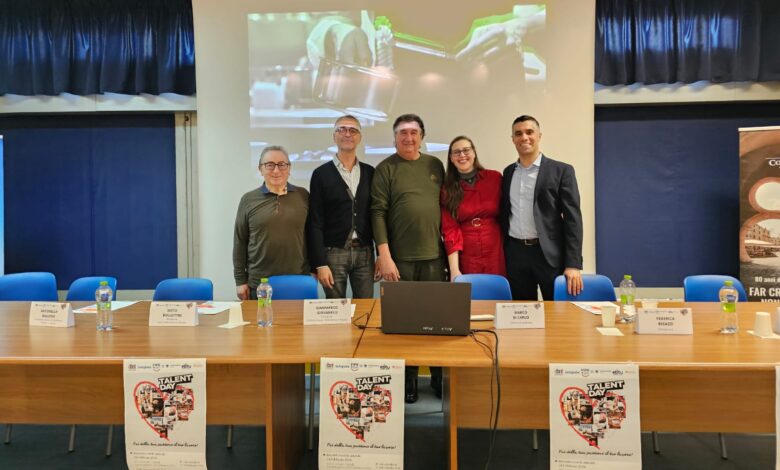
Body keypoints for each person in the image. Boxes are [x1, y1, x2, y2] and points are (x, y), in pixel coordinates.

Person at [371, 113, 446, 403]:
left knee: (437, 319)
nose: (408, 137)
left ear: (422, 136)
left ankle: (438, 376)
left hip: (434, 258)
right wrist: (384, 256)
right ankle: (409, 379)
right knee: (404, 322)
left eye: (414, 132)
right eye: (402, 132)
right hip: (399, 259)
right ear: (394, 137)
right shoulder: (385, 169)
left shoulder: (435, 165)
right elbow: (377, 212)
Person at [501, 115, 583, 300]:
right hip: (515, 255)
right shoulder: (508, 172)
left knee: (557, 310)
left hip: (549, 254)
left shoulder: (562, 171)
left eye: (529, 132)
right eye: (518, 134)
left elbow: (573, 220)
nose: (524, 137)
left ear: (539, 136)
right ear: (513, 139)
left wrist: (573, 264)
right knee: (522, 311)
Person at [308, 115, 375, 299]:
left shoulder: (370, 172)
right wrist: (320, 263)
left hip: (365, 253)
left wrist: (381, 256)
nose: (347, 134)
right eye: (342, 129)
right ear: (334, 136)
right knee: (336, 310)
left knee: (365, 309)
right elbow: (315, 221)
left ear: (359, 137)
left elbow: (376, 216)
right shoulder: (320, 174)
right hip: (333, 254)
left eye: (353, 130)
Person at [233, 146, 309, 300]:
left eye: (282, 165)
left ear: (289, 168)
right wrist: (240, 280)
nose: (276, 170)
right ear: (260, 169)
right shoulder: (248, 200)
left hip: (298, 281)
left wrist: (314, 269)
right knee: (263, 317)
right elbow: (240, 241)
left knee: (295, 318)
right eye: (270, 165)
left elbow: (313, 235)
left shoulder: (303, 196)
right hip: (260, 284)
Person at [440, 136, 505, 279]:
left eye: (466, 150)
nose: (462, 155)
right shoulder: (447, 189)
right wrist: (454, 269)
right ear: (451, 158)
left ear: (474, 153)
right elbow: (450, 230)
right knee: (470, 291)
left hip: (496, 250)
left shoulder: (494, 178)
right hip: (467, 254)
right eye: (456, 152)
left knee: (498, 289)